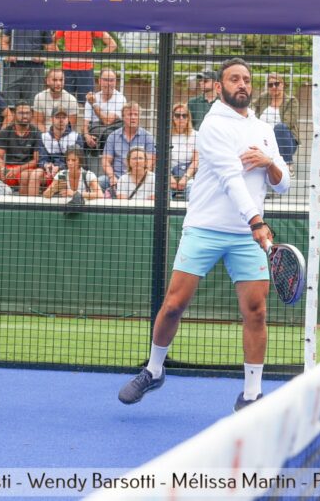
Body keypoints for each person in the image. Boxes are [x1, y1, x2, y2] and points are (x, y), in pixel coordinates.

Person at [118, 57, 290, 411]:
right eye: (234, 79)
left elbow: (283, 184)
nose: (242, 84)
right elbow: (230, 179)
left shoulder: (265, 130)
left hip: (246, 236)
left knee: (256, 310)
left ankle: (252, 395)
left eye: (246, 78)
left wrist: (269, 162)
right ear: (219, 86)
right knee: (173, 305)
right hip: (205, 228)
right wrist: (257, 222)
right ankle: (153, 369)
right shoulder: (213, 125)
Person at [100, 102, 156, 196]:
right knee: (100, 181)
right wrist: (111, 176)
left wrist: (137, 178)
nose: (133, 117)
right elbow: (105, 161)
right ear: (123, 117)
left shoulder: (148, 136)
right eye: (130, 114)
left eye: (136, 114)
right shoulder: (113, 136)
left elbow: (150, 162)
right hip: (116, 177)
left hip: (140, 178)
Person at [0, 102, 40, 190]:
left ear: (31, 114)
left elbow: (36, 160)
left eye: (27, 113)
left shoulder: (36, 133)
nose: (25, 116)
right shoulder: (5, 132)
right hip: (9, 168)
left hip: (27, 169)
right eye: (21, 113)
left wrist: (18, 169)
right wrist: (3, 169)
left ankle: (23, 203)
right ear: (14, 114)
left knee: (25, 176)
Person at [26, 106, 82, 197]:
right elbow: (41, 160)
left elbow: (79, 161)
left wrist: (59, 168)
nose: (61, 120)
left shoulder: (76, 137)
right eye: (57, 117)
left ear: (68, 120)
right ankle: (33, 207)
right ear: (52, 119)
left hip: (68, 171)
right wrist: (47, 166)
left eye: (64, 117)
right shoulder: (44, 137)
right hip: (48, 172)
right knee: (35, 174)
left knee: (65, 174)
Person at [53, 30, 117, 106]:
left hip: (85, 70)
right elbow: (50, 42)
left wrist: (96, 58)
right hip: (67, 69)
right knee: (65, 103)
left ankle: (86, 118)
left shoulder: (90, 23)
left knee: (88, 103)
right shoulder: (67, 23)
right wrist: (61, 57)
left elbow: (113, 45)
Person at [254, 72, 299, 174]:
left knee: (280, 127)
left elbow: (289, 122)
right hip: (262, 139)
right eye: (270, 85)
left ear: (282, 84)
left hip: (284, 142)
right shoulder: (263, 98)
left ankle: (288, 164)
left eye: (277, 84)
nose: (274, 87)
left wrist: (269, 132)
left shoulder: (291, 101)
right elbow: (253, 113)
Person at [1, 28, 53, 108]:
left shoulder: (43, 22)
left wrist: (42, 57)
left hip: (35, 69)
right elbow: (4, 41)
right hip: (14, 67)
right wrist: (8, 54)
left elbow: (50, 48)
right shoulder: (12, 18)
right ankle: (11, 120)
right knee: (9, 104)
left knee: (34, 105)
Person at [82, 68, 126, 152]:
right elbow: (85, 125)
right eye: (105, 80)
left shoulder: (121, 98)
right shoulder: (92, 97)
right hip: (94, 130)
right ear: (99, 81)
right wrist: (87, 136)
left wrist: (94, 104)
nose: (108, 83)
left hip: (112, 130)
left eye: (111, 80)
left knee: (109, 135)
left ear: (115, 82)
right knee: (81, 138)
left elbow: (108, 121)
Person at [169, 103, 198, 199]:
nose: (181, 118)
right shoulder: (167, 135)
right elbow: (161, 160)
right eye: (177, 115)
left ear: (188, 118)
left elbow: (195, 161)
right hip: (170, 173)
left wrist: (186, 177)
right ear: (172, 118)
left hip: (189, 174)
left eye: (184, 115)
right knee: (164, 189)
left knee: (192, 187)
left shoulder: (195, 135)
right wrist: (169, 177)